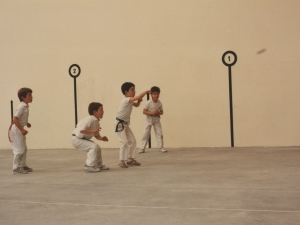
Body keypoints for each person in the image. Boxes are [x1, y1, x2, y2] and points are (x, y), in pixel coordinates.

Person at [115, 82, 150, 168]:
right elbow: (137, 97)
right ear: (126, 92)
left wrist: (138, 101)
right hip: (119, 124)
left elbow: (137, 105)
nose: (134, 91)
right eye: (132, 90)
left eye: (134, 90)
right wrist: (145, 92)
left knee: (133, 141)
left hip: (125, 125)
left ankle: (130, 159)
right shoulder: (125, 100)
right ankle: (122, 161)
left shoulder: (129, 100)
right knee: (124, 142)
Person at [72, 102, 109, 172]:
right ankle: (88, 165)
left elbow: (97, 136)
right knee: (93, 146)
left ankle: (98, 164)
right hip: (77, 139)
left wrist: (102, 138)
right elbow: (81, 130)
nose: (103, 111)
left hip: (82, 139)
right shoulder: (90, 119)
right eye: (101, 110)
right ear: (95, 112)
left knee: (96, 147)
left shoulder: (96, 122)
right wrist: (93, 130)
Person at [8, 88, 33, 174]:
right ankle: (16, 167)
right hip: (16, 130)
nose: (31, 97)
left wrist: (26, 123)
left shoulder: (25, 106)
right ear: (23, 97)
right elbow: (15, 119)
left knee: (24, 149)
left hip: (19, 128)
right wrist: (22, 129)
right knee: (19, 150)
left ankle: (23, 165)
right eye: (29, 95)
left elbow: (21, 118)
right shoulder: (21, 107)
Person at [139, 86, 167, 153]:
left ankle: (161, 147)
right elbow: (144, 111)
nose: (156, 95)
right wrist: (152, 113)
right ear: (151, 95)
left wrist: (158, 113)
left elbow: (162, 112)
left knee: (159, 133)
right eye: (154, 94)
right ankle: (142, 148)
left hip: (156, 119)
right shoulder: (148, 102)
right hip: (148, 119)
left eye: (157, 94)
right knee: (146, 133)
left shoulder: (159, 103)